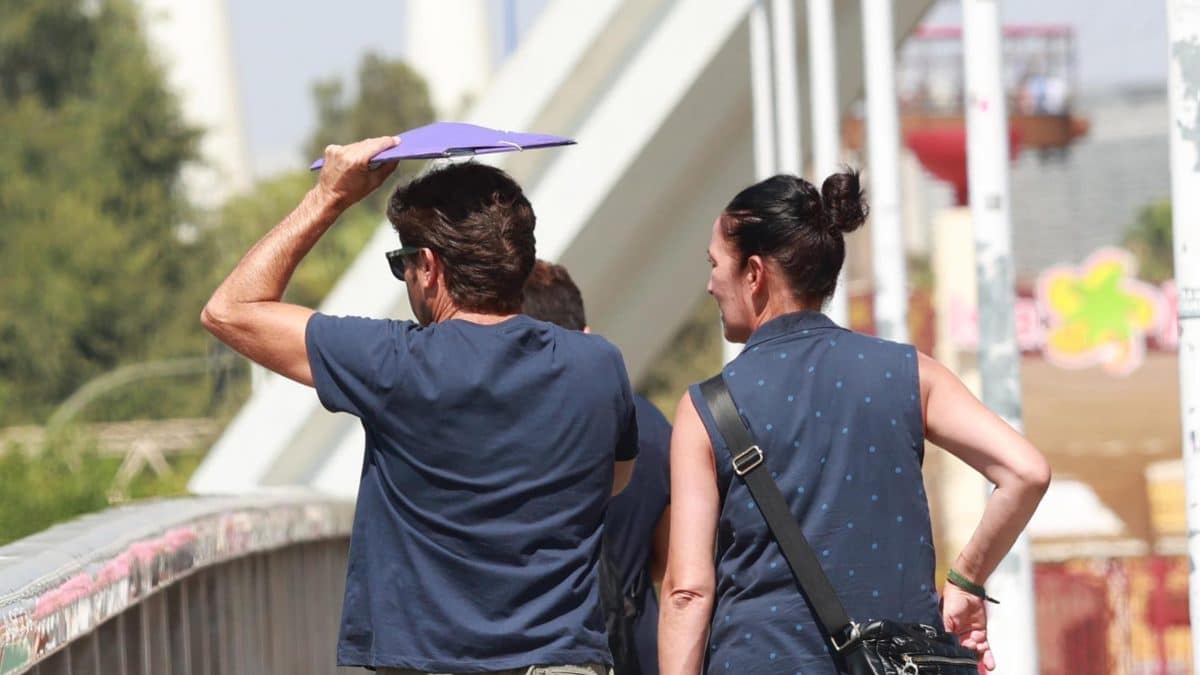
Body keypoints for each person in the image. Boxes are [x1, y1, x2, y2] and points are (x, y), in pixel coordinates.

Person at [201, 137, 638, 675]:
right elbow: (615, 480)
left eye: (401, 263)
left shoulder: (393, 365)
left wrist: (329, 198)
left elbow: (230, 309)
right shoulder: (597, 365)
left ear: (427, 267)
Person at [657, 171, 1051, 675]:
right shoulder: (911, 374)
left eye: (715, 264)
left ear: (754, 274)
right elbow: (1026, 471)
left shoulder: (706, 408)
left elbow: (687, 591)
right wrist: (967, 579)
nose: (711, 283)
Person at [522, 260, 672, 675]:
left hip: (546, 651)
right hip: (636, 648)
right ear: (587, 337)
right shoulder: (651, 426)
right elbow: (669, 561)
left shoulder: (507, 433)